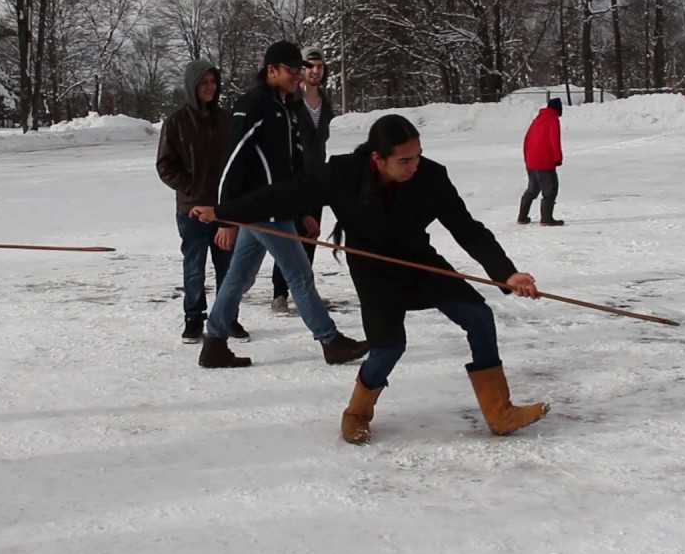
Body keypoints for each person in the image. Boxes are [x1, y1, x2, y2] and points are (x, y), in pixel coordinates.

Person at [193, 114, 549, 443]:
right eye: (405, 160)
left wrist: (506, 273)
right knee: (389, 348)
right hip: (373, 271)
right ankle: (357, 412)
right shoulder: (342, 174)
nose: (415, 166)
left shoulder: (431, 177)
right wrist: (224, 212)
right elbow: (282, 194)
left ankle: (499, 412)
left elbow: (467, 230)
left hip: (419, 262)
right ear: (378, 158)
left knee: (478, 316)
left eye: (418, 156)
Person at [197, 41, 368, 369]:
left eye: (299, 70)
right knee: (300, 275)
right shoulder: (255, 105)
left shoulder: (285, 106)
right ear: (271, 70)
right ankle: (331, 342)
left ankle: (215, 342)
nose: (297, 75)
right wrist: (226, 216)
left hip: (277, 206)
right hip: (264, 210)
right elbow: (233, 162)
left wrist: (304, 208)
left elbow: (295, 165)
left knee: (238, 277)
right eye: (291, 70)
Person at [156, 59, 248, 344]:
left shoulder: (227, 120)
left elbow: (239, 161)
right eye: (204, 82)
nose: (210, 87)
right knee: (194, 266)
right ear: (192, 86)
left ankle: (227, 316)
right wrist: (191, 189)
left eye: (213, 81)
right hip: (192, 210)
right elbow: (165, 165)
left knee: (229, 267)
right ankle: (194, 317)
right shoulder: (176, 122)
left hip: (224, 208)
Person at [270, 45, 333, 315]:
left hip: (316, 180)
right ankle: (279, 292)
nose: (315, 71)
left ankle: (305, 291)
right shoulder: (290, 100)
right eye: (310, 66)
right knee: (288, 235)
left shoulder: (326, 100)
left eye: (319, 66)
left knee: (311, 235)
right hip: (291, 177)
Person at [519, 97, 565, 226]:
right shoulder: (552, 120)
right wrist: (558, 157)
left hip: (531, 161)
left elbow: (526, 140)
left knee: (532, 189)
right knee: (550, 189)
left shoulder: (537, 120)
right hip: (544, 161)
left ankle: (522, 217)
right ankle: (546, 218)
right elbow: (554, 140)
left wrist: (527, 158)